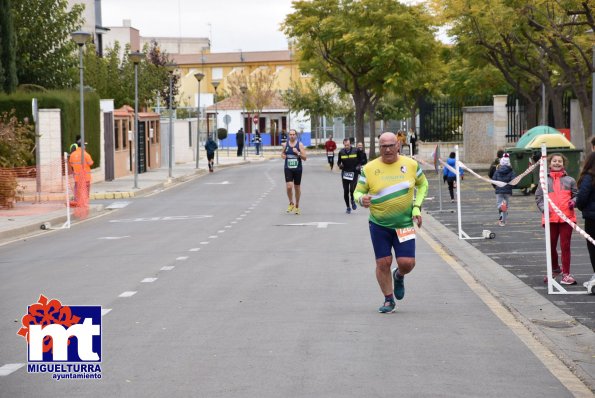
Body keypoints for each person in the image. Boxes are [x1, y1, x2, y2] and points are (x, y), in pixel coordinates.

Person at [354, 132, 429, 314]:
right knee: (383, 262)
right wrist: (361, 199)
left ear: (398, 145)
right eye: (383, 146)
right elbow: (357, 192)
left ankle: (399, 275)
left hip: (404, 224)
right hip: (379, 224)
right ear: (379, 148)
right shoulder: (369, 168)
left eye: (390, 145)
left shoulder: (410, 165)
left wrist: (417, 207)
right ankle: (389, 300)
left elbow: (423, 185)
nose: (387, 149)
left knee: (407, 262)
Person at [535, 153, 578, 285]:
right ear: (549, 163)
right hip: (550, 219)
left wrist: (573, 202)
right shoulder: (543, 180)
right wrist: (544, 209)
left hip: (566, 218)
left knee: (565, 246)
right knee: (551, 246)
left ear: (563, 164)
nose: (557, 163)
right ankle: (554, 270)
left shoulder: (570, 180)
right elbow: (538, 197)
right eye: (554, 161)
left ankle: (566, 274)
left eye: (560, 161)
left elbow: (577, 195)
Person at [575, 151, 595, 289]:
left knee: (593, 248)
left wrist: (582, 208)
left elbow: (582, 197)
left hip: (592, 218)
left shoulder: (589, 177)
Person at [281, 129, 307, 215]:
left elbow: (305, 158)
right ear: (289, 135)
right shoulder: (285, 144)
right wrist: (283, 156)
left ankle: (297, 205)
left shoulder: (300, 144)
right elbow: (282, 154)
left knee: (297, 187)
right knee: (289, 186)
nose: (292, 136)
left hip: (297, 169)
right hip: (288, 168)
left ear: (296, 135)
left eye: (293, 134)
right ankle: (291, 203)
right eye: (290, 134)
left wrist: (298, 153)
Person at [492, 153, 516, 226]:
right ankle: (503, 221)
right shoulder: (511, 171)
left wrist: (495, 187)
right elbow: (514, 181)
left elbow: (493, 180)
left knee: (499, 204)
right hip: (507, 190)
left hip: (499, 190)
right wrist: (512, 187)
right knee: (505, 206)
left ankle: (502, 208)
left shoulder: (497, 170)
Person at [337, 138, 359, 214]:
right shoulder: (341, 152)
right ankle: (348, 207)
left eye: (348, 145)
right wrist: (340, 166)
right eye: (345, 145)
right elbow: (338, 162)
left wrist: (358, 166)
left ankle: (352, 200)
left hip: (354, 172)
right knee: (346, 191)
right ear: (344, 145)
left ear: (350, 144)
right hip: (345, 173)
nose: (347, 146)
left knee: (352, 189)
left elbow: (360, 160)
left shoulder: (356, 150)